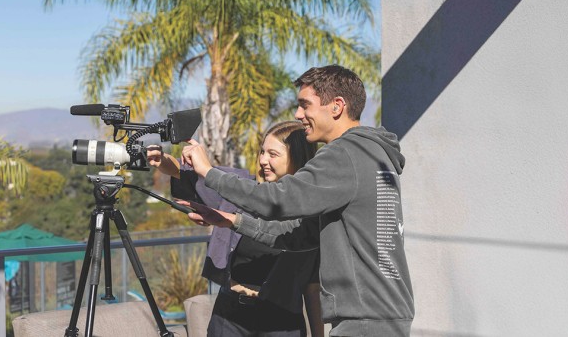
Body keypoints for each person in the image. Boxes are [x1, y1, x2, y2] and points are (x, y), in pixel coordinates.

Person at [181, 65, 414, 337]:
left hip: (365, 320)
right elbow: (299, 235)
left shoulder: (345, 153)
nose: (298, 114)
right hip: (381, 315)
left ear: (337, 106)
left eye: (305, 105)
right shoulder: (372, 155)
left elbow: (277, 199)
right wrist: (232, 220)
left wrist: (208, 172)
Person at [148, 121, 324, 337]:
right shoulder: (241, 189)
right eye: (262, 152)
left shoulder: (314, 213)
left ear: (298, 158)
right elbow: (189, 174)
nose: (262, 160)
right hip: (230, 318)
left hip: (283, 323)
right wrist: (161, 159)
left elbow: (312, 287)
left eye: (273, 154)